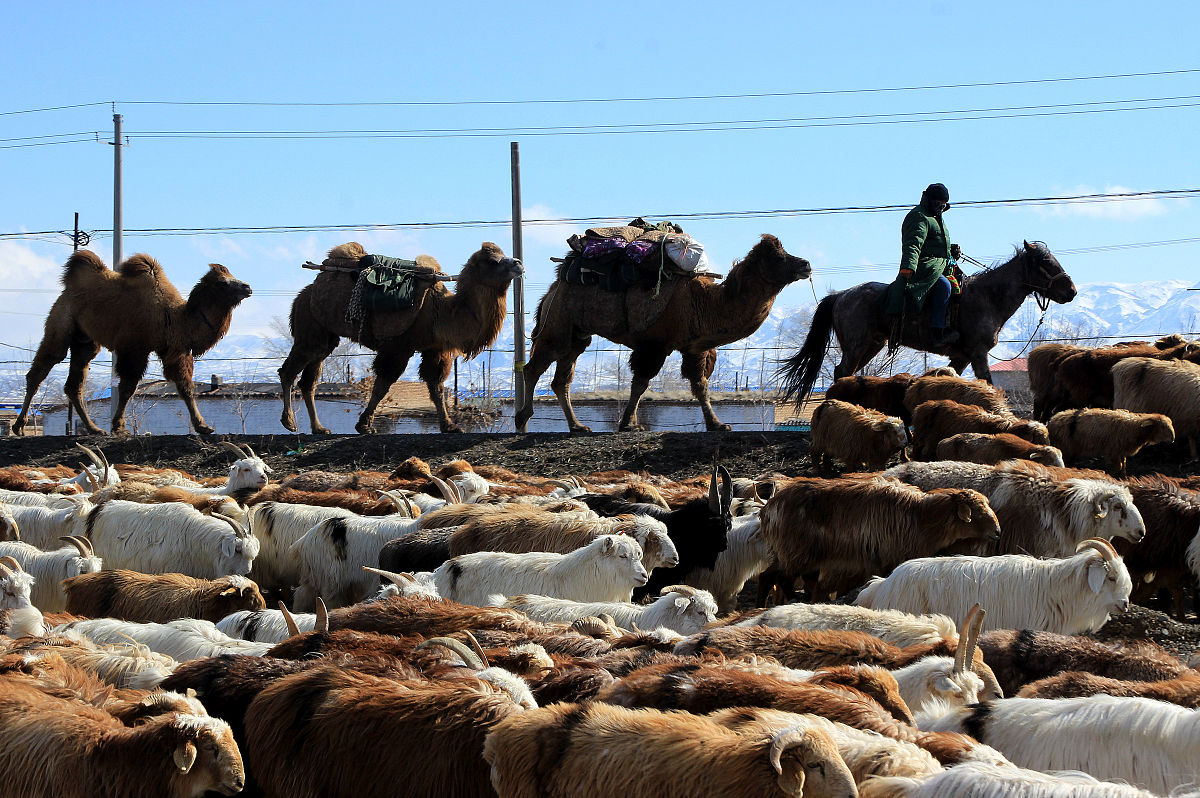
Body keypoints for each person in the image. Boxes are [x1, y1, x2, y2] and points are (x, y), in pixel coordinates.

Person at [885, 182, 962, 347]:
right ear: (929, 200)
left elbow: (936, 244)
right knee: (945, 286)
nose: (941, 206)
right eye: (938, 203)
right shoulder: (919, 216)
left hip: (939, 264)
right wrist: (908, 266)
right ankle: (937, 332)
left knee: (961, 281)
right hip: (924, 266)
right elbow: (913, 244)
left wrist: (950, 250)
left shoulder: (936, 217)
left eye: (944, 204)